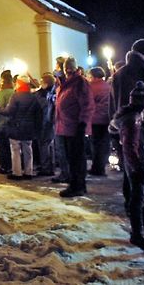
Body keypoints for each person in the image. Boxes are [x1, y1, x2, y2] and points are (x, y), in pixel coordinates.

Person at [109, 39, 144, 213]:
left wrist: (116, 123)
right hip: (141, 128)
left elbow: (113, 103)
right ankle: (139, 217)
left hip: (123, 126)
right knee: (140, 174)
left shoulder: (120, 72)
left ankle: (131, 206)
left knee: (130, 170)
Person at [111, 81, 144, 250]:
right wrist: (138, 167)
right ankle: (137, 234)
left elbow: (114, 131)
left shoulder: (132, 115)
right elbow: (130, 145)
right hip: (138, 163)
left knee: (140, 198)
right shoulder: (133, 119)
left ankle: (143, 229)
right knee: (139, 198)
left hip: (135, 161)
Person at [55, 57, 94, 197]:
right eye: (66, 69)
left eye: (69, 69)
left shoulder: (79, 83)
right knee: (71, 158)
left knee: (76, 158)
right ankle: (75, 184)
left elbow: (87, 105)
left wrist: (82, 124)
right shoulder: (66, 83)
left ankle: (77, 185)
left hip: (75, 127)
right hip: (66, 126)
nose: (67, 71)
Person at [0, 75, 42, 180]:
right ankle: (28, 172)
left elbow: (8, 112)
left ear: (19, 83)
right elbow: (38, 114)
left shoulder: (16, 96)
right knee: (28, 149)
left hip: (16, 127)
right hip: (29, 128)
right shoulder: (33, 97)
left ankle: (17, 173)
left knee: (16, 150)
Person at [87, 67, 111, 176]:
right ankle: (101, 167)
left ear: (94, 76)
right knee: (104, 144)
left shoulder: (91, 87)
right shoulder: (108, 86)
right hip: (107, 118)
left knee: (95, 145)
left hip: (95, 119)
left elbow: (88, 103)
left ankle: (97, 168)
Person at [50, 56, 70, 184]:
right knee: (62, 148)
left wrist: (51, 97)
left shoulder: (63, 82)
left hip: (63, 119)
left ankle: (65, 173)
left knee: (62, 148)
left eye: (56, 65)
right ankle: (66, 172)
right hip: (62, 118)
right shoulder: (64, 82)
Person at [34, 72, 56, 176]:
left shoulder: (43, 94)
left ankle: (46, 168)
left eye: (42, 81)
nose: (40, 83)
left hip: (45, 124)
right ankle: (50, 166)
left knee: (44, 146)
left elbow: (45, 108)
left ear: (46, 84)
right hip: (51, 123)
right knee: (49, 146)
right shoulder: (53, 91)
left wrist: (37, 93)